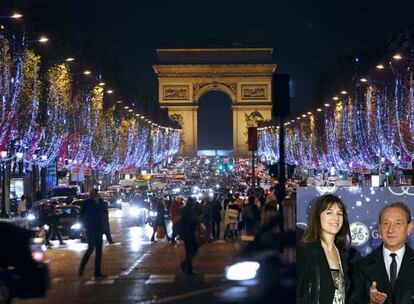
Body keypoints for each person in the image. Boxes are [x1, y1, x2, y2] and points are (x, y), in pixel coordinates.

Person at [349, 202, 414, 304]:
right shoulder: (361, 267)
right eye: (386, 223)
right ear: (379, 229)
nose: (390, 230)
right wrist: (371, 302)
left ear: (409, 228)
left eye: (398, 223)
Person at [297, 194, 351, 304]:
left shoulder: (344, 256)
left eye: (339, 214)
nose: (335, 218)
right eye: (329, 212)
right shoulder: (305, 252)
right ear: (318, 216)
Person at [78, 188, 107, 277]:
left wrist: (105, 229)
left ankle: (97, 272)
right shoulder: (87, 203)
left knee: (99, 251)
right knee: (90, 248)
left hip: (98, 228)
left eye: (95, 193)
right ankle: (81, 268)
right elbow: (82, 215)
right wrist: (84, 226)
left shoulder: (101, 202)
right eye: (93, 193)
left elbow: (104, 213)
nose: (95, 195)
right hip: (90, 228)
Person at [179, 197, 200, 275]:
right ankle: (184, 264)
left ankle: (189, 270)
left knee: (189, 251)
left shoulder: (185, 209)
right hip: (190, 234)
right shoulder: (190, 210)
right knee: (194, 250)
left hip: (185, 234)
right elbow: (192, 221)